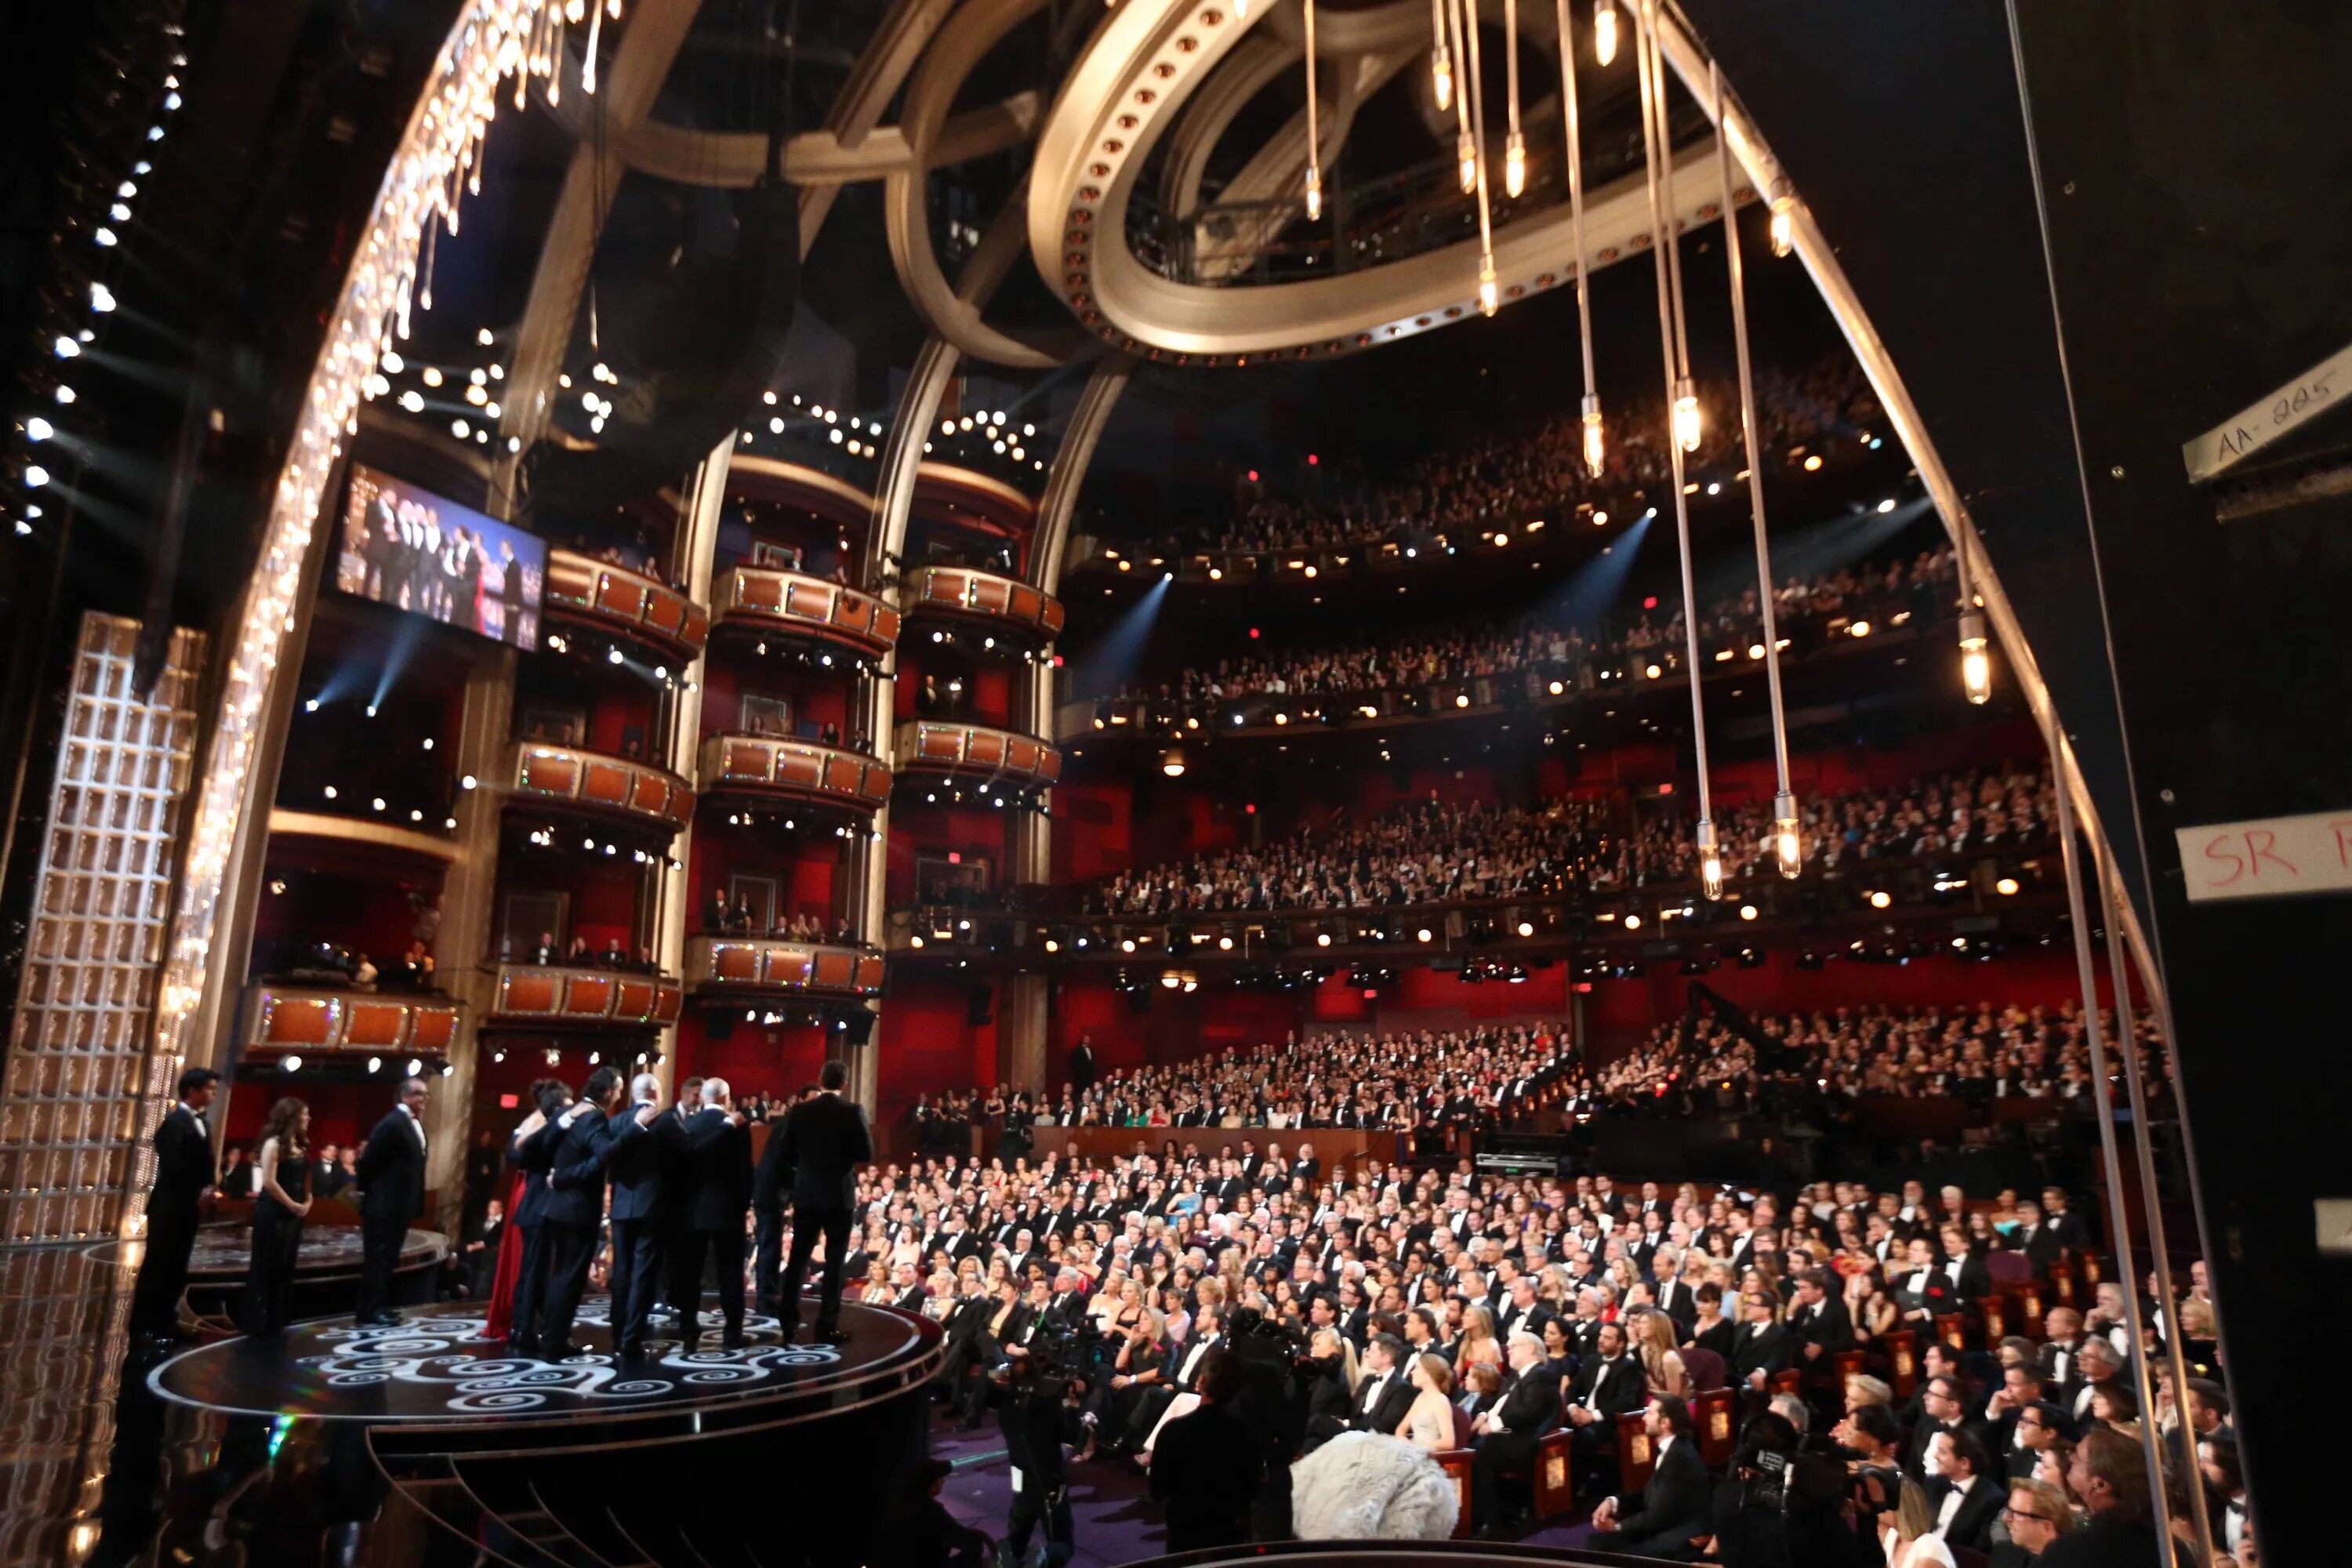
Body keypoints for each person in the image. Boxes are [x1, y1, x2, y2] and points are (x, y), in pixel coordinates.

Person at [540, 1068, 644, 1356]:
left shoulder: (572, 1112)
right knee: (570, 1278)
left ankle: (551, 1336)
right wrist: (635, 1129)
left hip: (558, 1206)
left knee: (561, 1274)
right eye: (619, 1090)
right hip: (577, 1209)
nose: (620, 1096)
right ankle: (554, 1342)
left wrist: (558, 1176)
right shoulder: (594, 1117)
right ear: (608, 1092)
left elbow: (546, 1143)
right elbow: (604, 1155)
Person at [775, 1059, 872, 1343]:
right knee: (834, 1262)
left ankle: (788, 1324)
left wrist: (805, 1172)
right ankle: (826, 1326)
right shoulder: (852, 1111)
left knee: (798, 1259)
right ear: (845, 1083)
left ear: (819, 1079)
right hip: (838, 1195)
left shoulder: (800, 1110)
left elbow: (785, 1152)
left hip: (806, 1193)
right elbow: (866, 1152)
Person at [129, 1067, 220, 1348]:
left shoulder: (203, 1123)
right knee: (158, 1265)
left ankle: (167, 1320)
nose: (214, 1094)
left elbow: (206, 1162)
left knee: (177, 1267)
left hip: (189, 1207)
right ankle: (143, 1325)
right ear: (193, 1091)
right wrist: (197, 1189)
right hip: (169, 1206)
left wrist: (209, 1185)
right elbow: (173, 1164)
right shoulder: (174, 1123)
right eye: (210, 1089)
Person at [1149, 1348, 1261, 1552]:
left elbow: (1157, 1490)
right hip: (1226, 1534)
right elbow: (1252, 1490)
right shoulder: (1246, 1435)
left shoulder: (1173, 1430)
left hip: (1182, 1531)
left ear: (1201, 1381)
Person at [674, 1076, 754, 1347]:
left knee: (691, 1273)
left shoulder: (687, 1124)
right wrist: (742, 1206)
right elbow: (745, 1172)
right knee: (730, 1273)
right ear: (726, 1098)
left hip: (692, 1212)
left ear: (704, 1098)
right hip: (727, 1211)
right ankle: (733, 1333)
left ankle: (688, 1328)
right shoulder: (737, 1127)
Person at [1591, 1396, 1711, 1560]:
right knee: (1596, 1542)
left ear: (1665, 1423)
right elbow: (1649, 1494)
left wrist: (1618, 1526)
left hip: (1677, 1535)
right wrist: (1613, 1502)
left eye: (1650, 1413)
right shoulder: (1674, 1449)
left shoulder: (1679, 1458)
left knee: (1614, 1554)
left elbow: (1657, 1516)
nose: (1644, 1417)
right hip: (1663, 1525)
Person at [354, 1075, 430, 1327]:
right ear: (405, 1096)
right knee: (378, 1259)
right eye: (419, 1094)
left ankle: (379, 1305)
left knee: (389, 1259)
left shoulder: (412, 1124)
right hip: (384, 1205)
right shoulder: (392, 1123)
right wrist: (369, 1191)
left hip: (400, 1205)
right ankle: (370, 1309)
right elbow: (368, 1160)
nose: (424, 1099)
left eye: (425, 1094)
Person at [1469, 1330, 1562, 1532]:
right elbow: (1498, 1403)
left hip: (1523, 1439)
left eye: (1513, 1347)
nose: (1508, 1351)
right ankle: (1477, 1514)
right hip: (1505, 1435)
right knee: (1468, 1446)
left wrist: (1493, 1425)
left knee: (1478, 1453)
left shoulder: (1541, 1375)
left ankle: (1491, 1522)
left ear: (1530, 1349)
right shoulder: (1515, 1376)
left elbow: (1529, 1411)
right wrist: (1484, 1415)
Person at [240, 1096, 312, 1336]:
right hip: (273, 1212)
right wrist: (292, 1204)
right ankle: (259, 1320)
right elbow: (269, 1182)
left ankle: (279, 1316)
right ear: (292, 1117)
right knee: (267, 1263)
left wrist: (307, 1201)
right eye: (304, 1114)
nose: (308, 1118)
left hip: (293, 1213)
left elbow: (303, 1179)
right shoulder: (273, 1143)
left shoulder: (300, 1144)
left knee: (286, 1264)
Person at [751, 1087, 804, 1314]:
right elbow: (785, 1162)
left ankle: (768, 1295)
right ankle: (765, 1298)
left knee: (769, 1245)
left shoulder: (789, 1122)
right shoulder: (791, 1124)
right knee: (769, 1246)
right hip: (770, 1192)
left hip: (772, 1191)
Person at [1992, 1477, 2075, 1566]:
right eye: (2008, 1509)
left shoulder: (2075, 1562)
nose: (2006, 1518)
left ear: (2046, 1527)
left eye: (2016, 1514)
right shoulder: (2003, 1553)